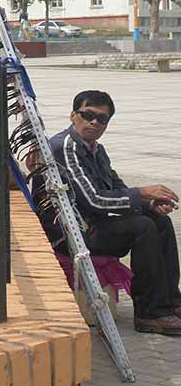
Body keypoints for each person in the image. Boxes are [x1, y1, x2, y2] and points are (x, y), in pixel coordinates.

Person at [32, 90, 181, 336]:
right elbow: (93, 200)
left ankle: (169, 300)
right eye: (88, 115)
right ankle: (149, 313)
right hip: (72, 233)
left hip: (94, 226)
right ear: (73, 116)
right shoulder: (64, 147)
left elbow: (117, 188)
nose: (94, 122)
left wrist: (149, 204)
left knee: (158, 220)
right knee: (142, 227)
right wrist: (143, 192)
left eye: (102, 119)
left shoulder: (96, 150)